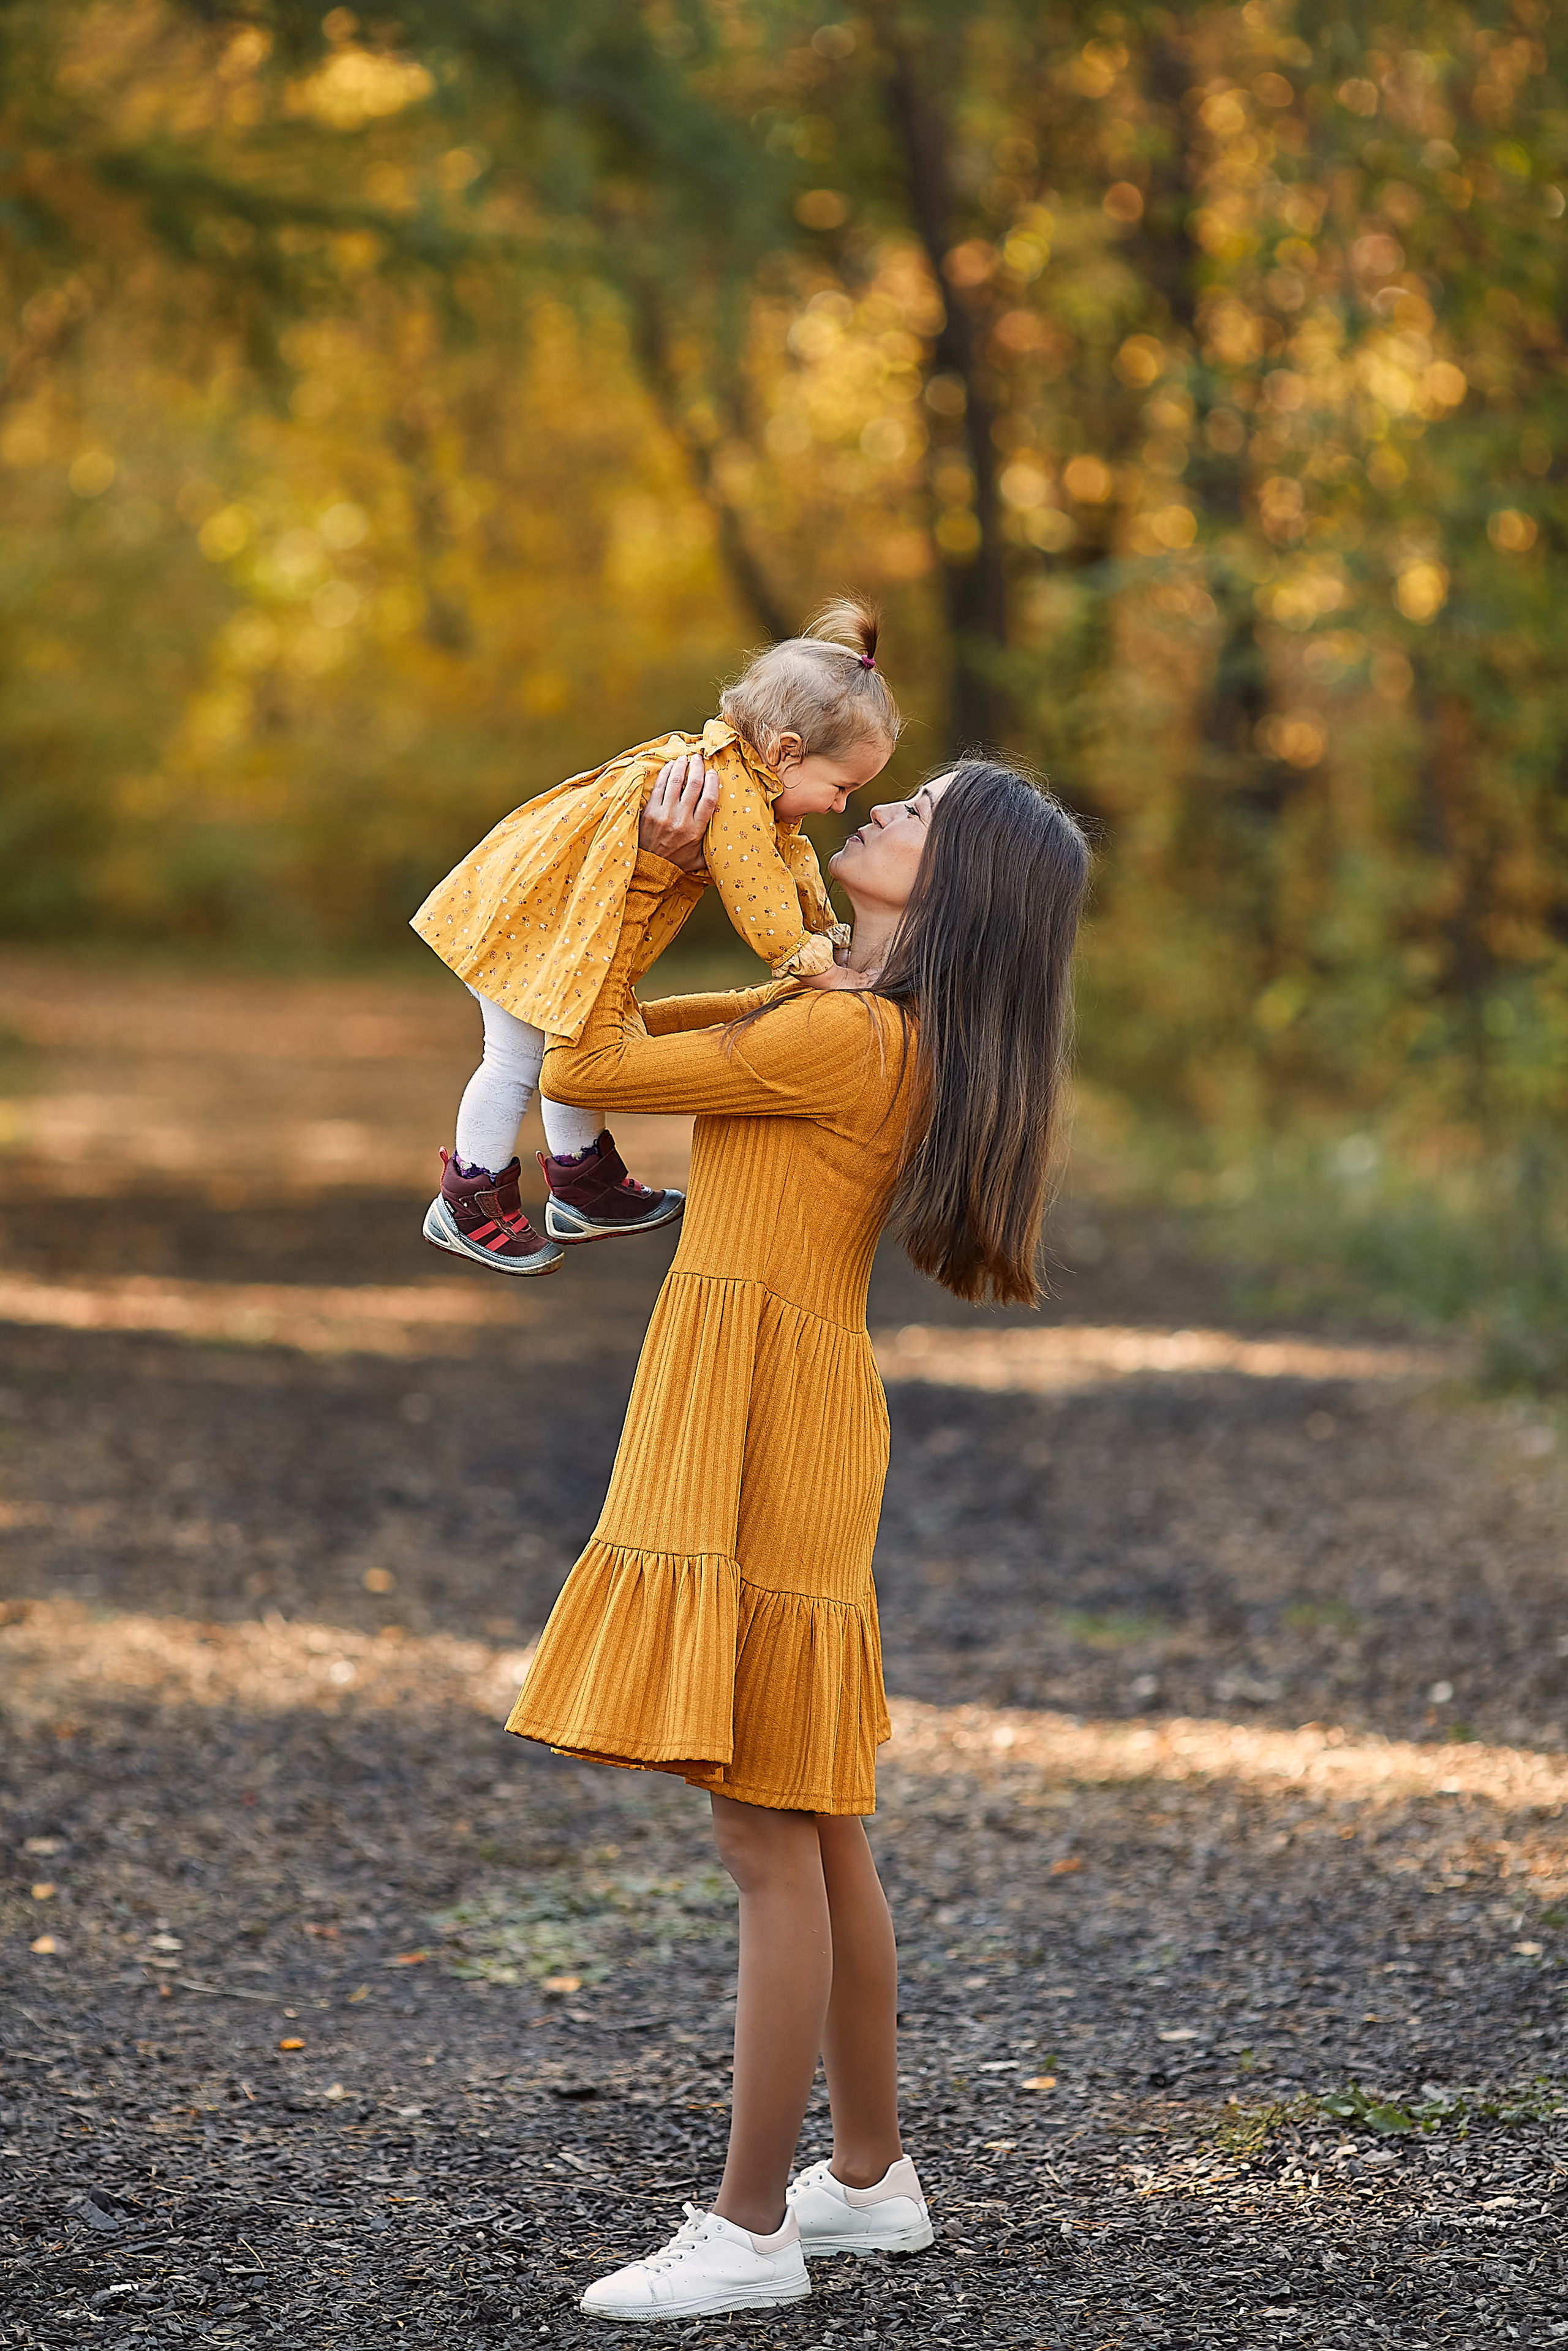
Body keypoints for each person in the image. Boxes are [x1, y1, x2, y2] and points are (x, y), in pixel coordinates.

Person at [503, 747, 1091, 2322]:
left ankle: (750, 2226)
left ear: (953, 886)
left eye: (917, 811)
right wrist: (716, 896)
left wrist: (650, 871)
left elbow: (586, 1052)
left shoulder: (836, 1035)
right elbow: (631, 1038)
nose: (880, 809)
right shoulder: (851, 1015)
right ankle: (869, 2175)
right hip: (800, 1400)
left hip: (764, 1413)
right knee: (817, 1821)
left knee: (764, 1835)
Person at [409, 597, 901, 1275]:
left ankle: (583, 1184)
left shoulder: (750, 785)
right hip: (533, 924)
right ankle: (468, 1200)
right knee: (517, 1056)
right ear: (787, 752)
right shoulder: (726, 791)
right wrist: (814, 966)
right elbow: (758, 895)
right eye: (841, 787)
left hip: (561, 927)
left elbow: (790, 863)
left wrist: (824, 930)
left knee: (571, 1032)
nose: (842, 805)